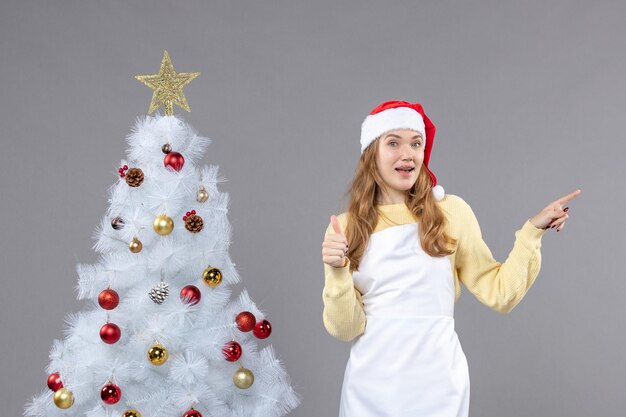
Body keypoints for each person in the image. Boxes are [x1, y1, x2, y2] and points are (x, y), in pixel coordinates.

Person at [321, 100, 581, 417]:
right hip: (371, 387)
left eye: (416, 143)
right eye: (393, 143)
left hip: (438, 384)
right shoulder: (346, 226)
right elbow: (346, 329)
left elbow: (500, 293)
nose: (407, 154)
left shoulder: (450, 212)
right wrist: (336, 272)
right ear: (371, 153)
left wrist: (531, 232)